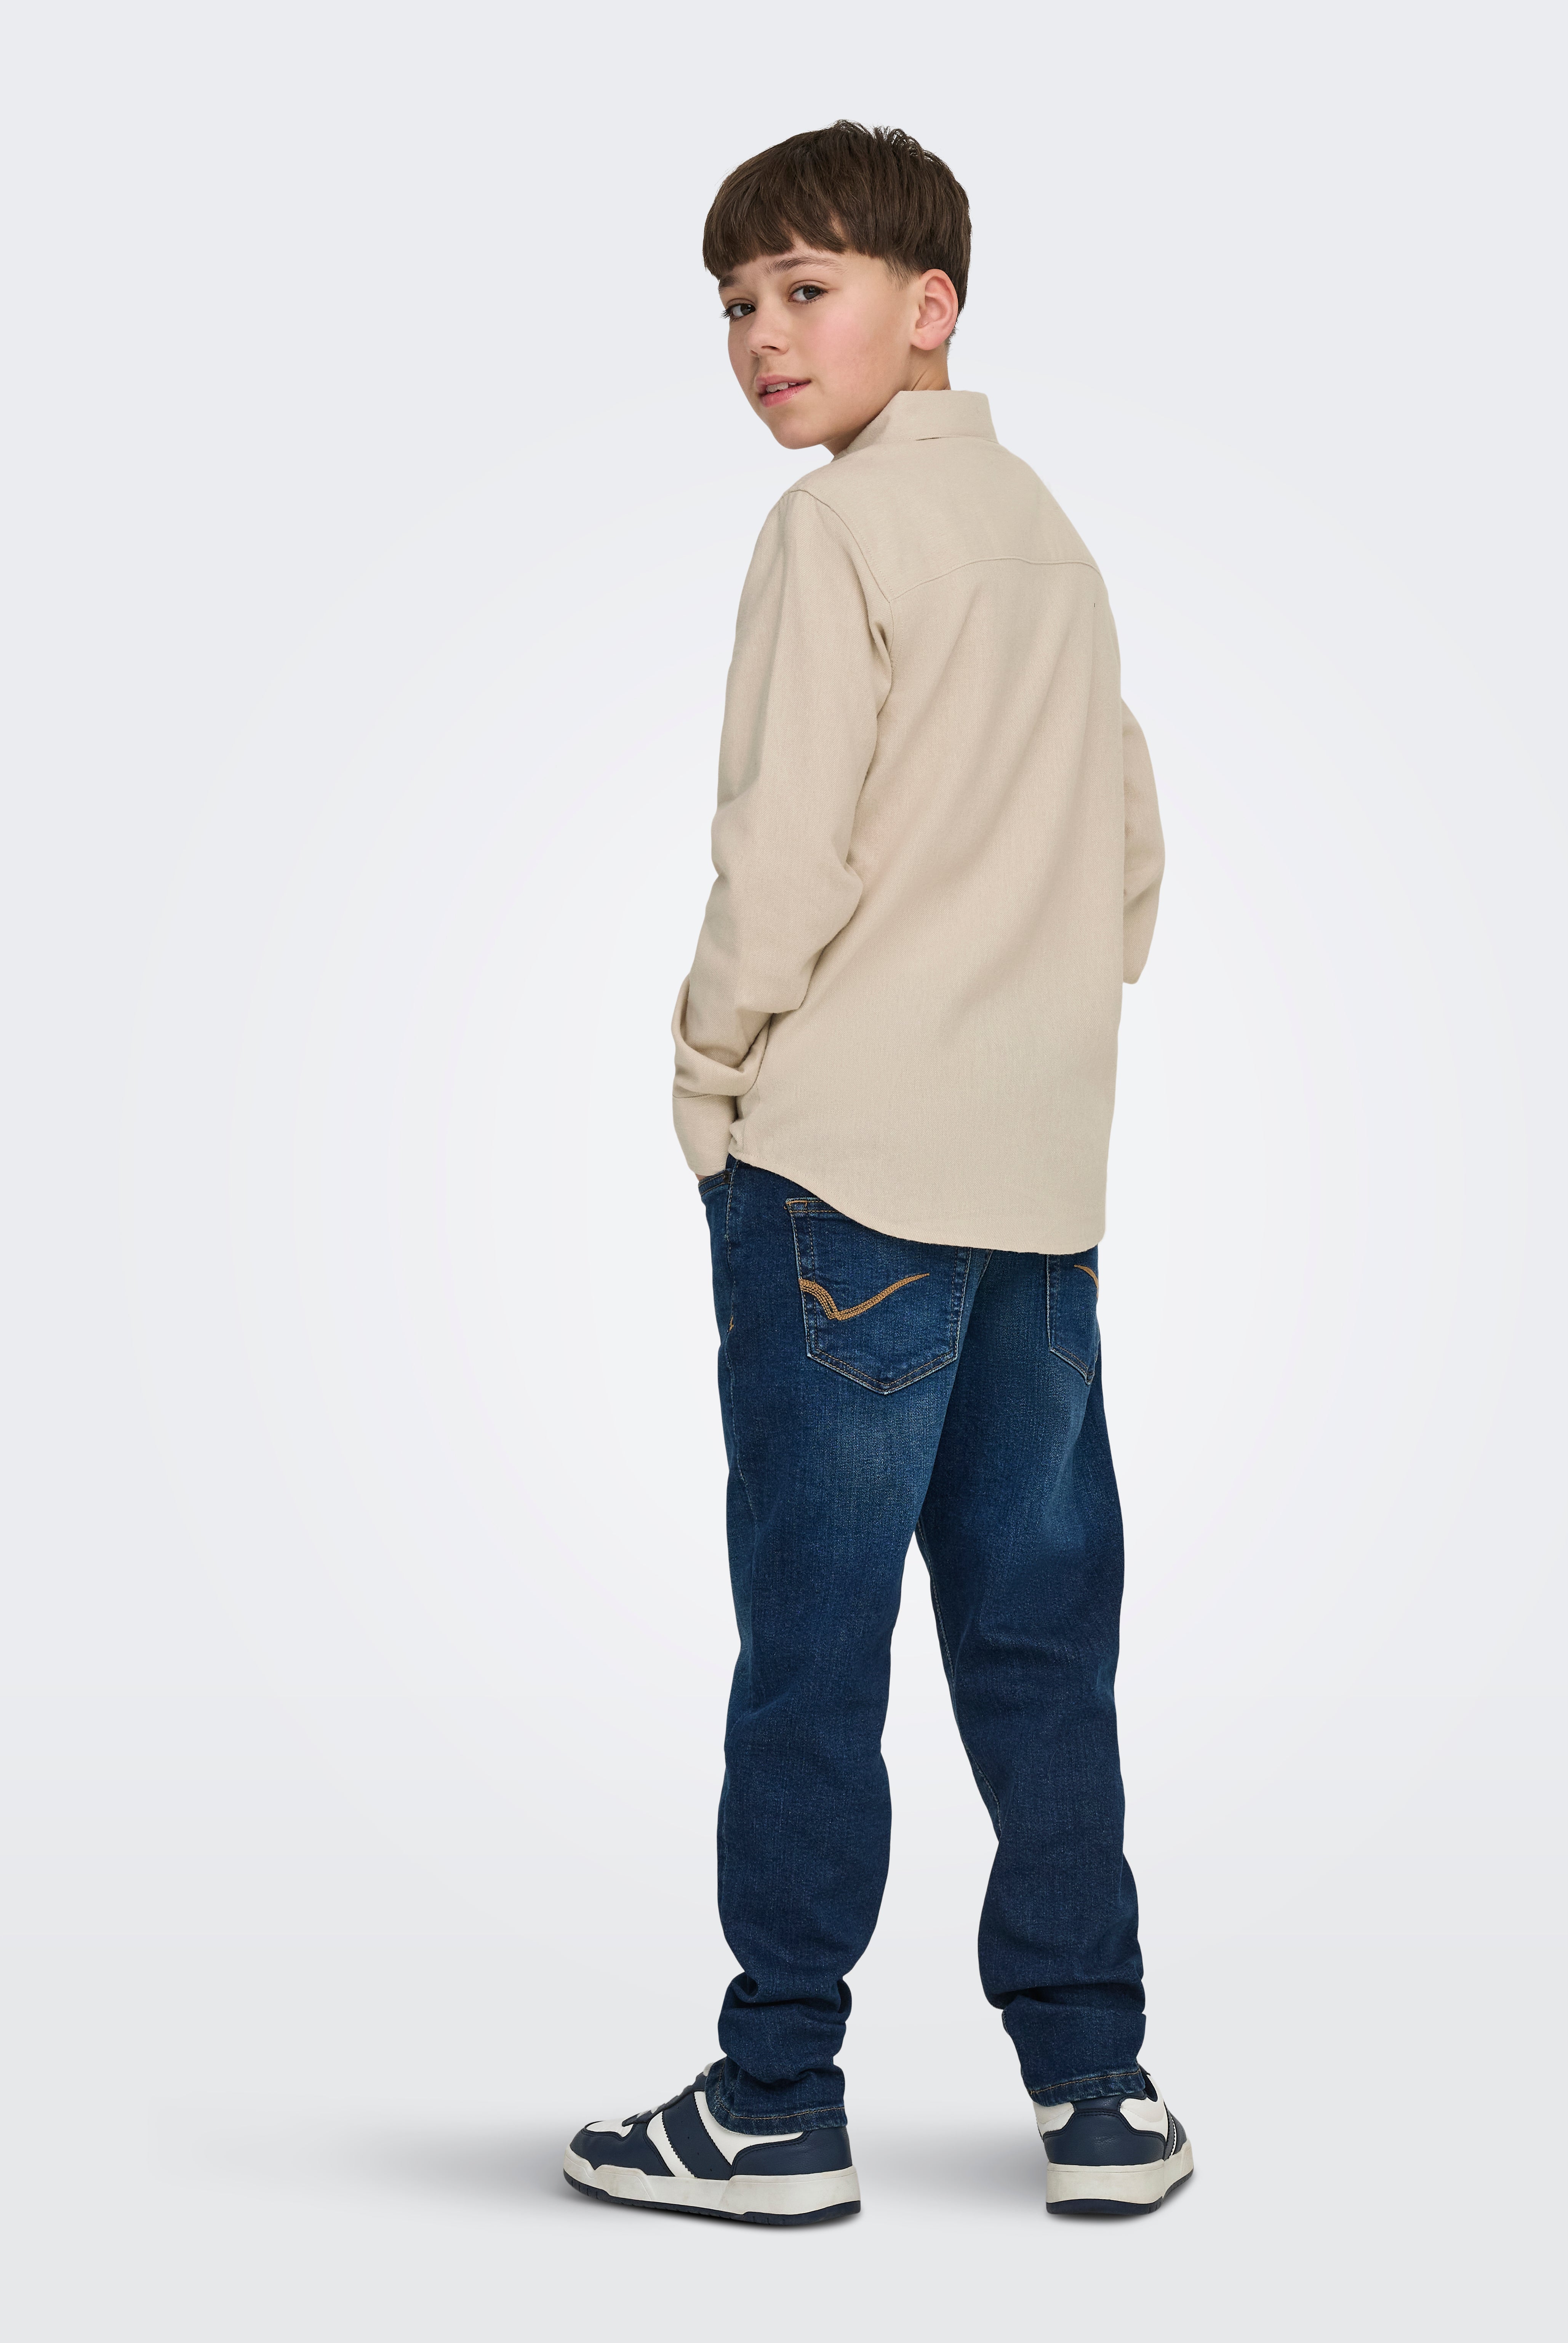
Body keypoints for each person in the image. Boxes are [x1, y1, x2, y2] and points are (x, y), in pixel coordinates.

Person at [563, 120, 1188, 2224]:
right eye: (735, 303)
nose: (761, 335)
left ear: (930, 309)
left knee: (813, 1649)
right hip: (1038, 1189)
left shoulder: (834, 533)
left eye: (803, 289)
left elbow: (784, 854)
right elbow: (1129, 850)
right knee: (1040, 1636)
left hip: (844, 1180)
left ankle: (774, 2096)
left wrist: (711, 1075)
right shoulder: (1047, 538)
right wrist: (1030, 1015)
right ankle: (1097, 2088)